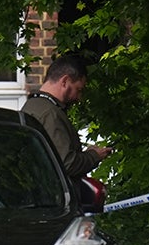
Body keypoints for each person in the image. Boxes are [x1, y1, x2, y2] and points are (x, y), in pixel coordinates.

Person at [23, 53, 110, 181]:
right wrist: (94, 156)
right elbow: (66, 163)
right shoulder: (50, 114)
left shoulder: (32, 106)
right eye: (78, 90)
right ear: (64, 81)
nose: (79, 98)